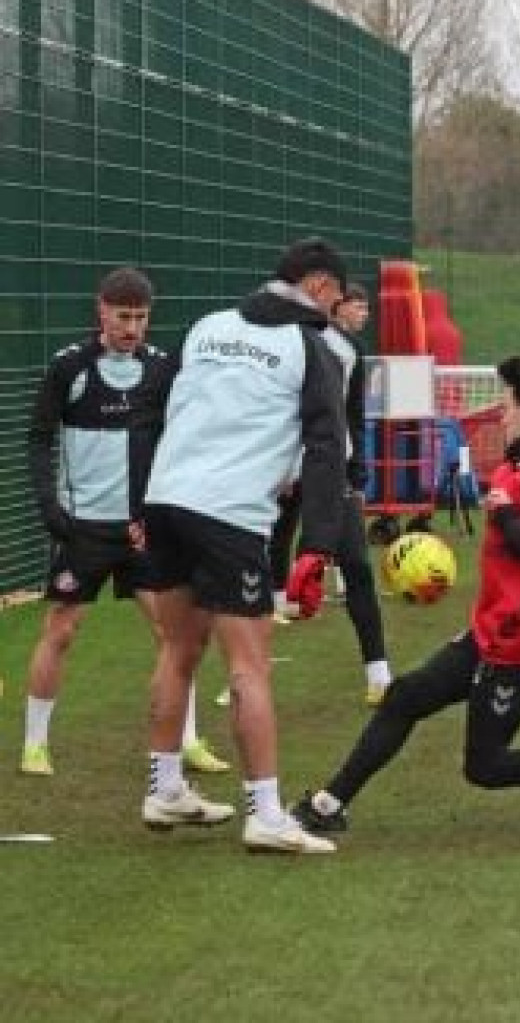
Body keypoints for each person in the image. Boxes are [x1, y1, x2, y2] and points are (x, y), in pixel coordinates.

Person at [291, 357, 520, 840]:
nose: (500, 407)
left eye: (508, 398)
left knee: (485, 765)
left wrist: (511, 525)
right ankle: (328, 804)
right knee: (404, 697)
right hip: (496, 628)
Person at [137, 237, 352, 854]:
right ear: (316, 287)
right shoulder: (312, 348)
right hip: (230, 515)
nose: (337, 308)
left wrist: (143, 500)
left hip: (167, 499)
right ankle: (264, 812)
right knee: (249, 664)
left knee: (178, 646)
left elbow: (152, 410)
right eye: (336, 295)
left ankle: (166, 786)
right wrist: (318, 546)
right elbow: (326, 452)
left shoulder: (207, 326)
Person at [20, 268, 227, 778]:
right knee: (62, 630)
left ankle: (190, 739)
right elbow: (39, 438)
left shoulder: (161, 370)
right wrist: (50, 504)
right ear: (101, 312)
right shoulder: (69, 368)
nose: (131, 327)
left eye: (140, 317)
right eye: (122, 316)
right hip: (84, 526)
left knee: (172, 634)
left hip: (142, 527)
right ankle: (35, 744)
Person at [274, 282, 393, 706]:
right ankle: (248, 671)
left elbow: (354, 413)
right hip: (277, 469)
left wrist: (357, 469)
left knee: (356, 563)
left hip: (331, 469)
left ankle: (379, 673)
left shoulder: (347, 349)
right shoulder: (274, 340)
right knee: (268, 556)